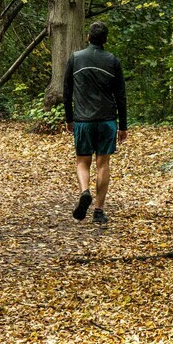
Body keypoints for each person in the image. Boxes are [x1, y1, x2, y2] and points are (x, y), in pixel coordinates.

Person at [63, 21, 128, 224]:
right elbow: (121, 96)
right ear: (106, 40)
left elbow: (67, 92)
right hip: (107, 121)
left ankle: (85, 191)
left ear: (88, 37)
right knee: (103, 164)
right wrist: (123, 126)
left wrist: (69, 118)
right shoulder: (112, 61)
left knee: (82, 161)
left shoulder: (75, 58)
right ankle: (98, 211)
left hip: (83, 120)